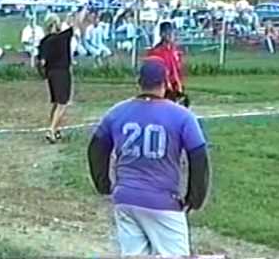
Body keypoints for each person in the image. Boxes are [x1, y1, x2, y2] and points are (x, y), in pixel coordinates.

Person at [87, 59, 210, 257]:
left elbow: (96, 147)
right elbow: (199, 157)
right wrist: (195, 198)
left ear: (140, 82)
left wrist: (103, 183)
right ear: (165, 82)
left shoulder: (117, 112)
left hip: (125, 198)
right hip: (163, 201)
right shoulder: (182, 116)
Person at [38, 13, 83, 144]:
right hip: (62, 72)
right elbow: (77, 24)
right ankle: (51, 130)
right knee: (62, 103)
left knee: (56, 102)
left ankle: (56, 129)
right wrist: (77, 13)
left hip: (51, 74)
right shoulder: (62, 38)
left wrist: (44, 73)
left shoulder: (45, 41)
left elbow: (41, 62)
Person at [146, 21, 189, 107]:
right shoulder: (157, 52)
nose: (171, 36)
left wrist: (179, 85)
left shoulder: (174, 50)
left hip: (174, 84)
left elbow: (177, 70)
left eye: (172, 33)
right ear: (162, 34)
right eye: (168, 33)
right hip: (163, 87)